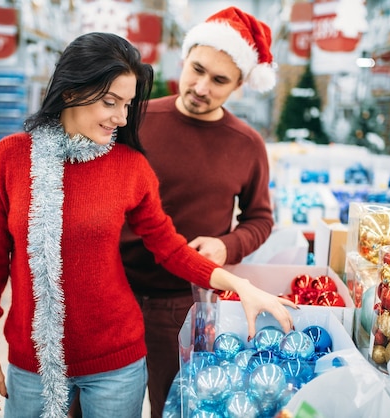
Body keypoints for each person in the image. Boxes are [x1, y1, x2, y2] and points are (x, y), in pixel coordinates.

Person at [0, 32, 296, 418]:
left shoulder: (129, 166)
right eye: (111, 102)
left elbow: (170, 247)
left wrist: (238, 284)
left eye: (127, 104)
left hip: (116, 360)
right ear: (71, 91)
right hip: (32, 360)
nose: (122, 118)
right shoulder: (12, 157)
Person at [119, 7, 279, 417]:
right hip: (111, 291)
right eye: (197, 69)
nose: (202, 86)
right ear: (184, 59)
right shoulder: (133, 119)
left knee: (172, 408)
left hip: (182, 303)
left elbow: (260, 218)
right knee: (91, 406)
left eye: (220, 80)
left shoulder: (246, 145)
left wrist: (228, 246)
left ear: (240, 84)